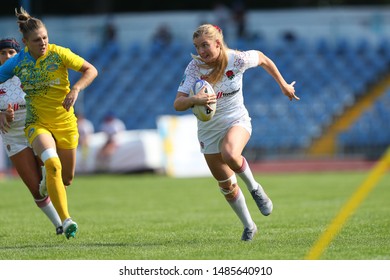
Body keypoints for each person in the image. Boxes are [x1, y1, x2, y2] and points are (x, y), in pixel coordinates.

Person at [174, 24, 299, 241]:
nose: (201, 51)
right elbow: (178, 103)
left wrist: (283, 85)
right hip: (208, 132)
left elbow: (263, 58)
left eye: (205, 45)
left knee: (230, 154)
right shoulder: (195, 67)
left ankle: (255, 188)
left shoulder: (237, 59)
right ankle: (249, 226)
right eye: (197, 46)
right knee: (226, 185)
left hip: (237, 120)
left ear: (217, 43)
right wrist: (194, 100)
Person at [0, 8, 98, 239]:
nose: (43, 43)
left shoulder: (59, 54)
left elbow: (90, 70)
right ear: (26, 43)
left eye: (45, 37)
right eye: (37, 40)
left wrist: (76, 88)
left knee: (67, 178)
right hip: (36, 124)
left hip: (64, 122)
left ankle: (49, 184)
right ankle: (66, 221)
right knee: (52, 163)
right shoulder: (18, 62)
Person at [0, 37, 63, 235]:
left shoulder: (28, 72)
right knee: (36, 189)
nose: (7, 56)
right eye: (2, 53)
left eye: (11, 52)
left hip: (36, 127)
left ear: (18, 54)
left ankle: (65, 217)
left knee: (53, 170)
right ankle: (59, 225)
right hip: (13, 137)